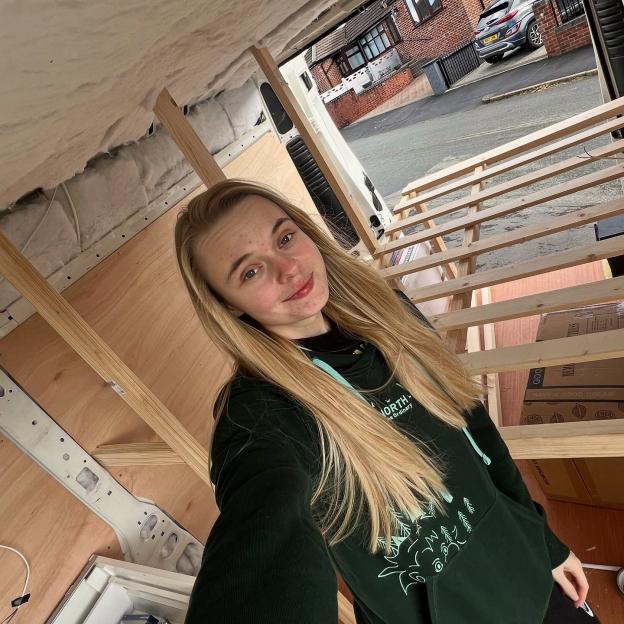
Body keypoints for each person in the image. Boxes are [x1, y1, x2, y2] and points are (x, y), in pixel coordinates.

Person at [174, 178, 600, 624]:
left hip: (524, 565)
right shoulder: (261, 413)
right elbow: (263, 532)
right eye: (250, 271)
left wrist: (544, 541)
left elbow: (476, 430)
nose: (288, 269)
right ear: (229, 306)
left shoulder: (389, 311)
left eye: (284, 238)